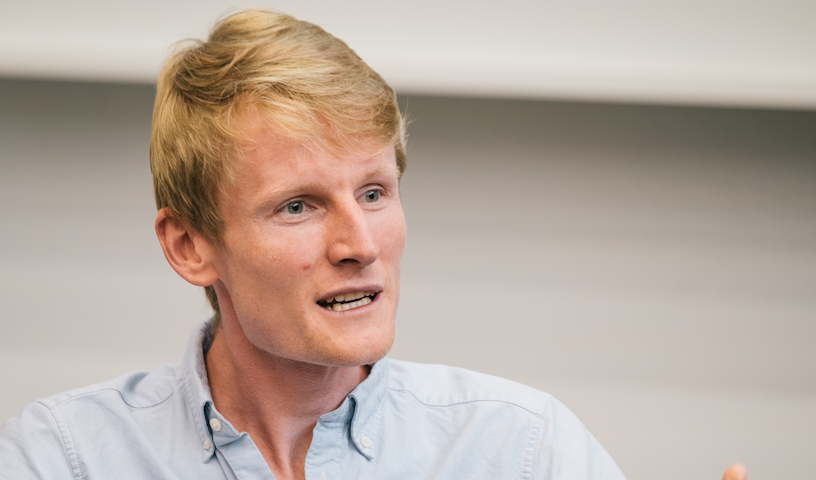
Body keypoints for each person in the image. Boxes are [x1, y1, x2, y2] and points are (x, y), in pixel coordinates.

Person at [0, 9, 747, 480]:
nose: (360, 243)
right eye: (298, 206)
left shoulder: (522, 450)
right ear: (190, 245)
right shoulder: (61, 458)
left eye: (374, 192)